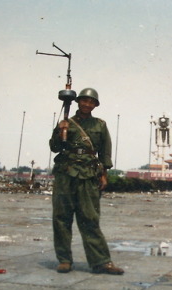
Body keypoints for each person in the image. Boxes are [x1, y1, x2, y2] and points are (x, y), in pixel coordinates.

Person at [49, 87, 124, 275]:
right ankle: (64, 260)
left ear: (95, 105)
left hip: (89, 174)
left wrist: (104, 173)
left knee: (90, 218)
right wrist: (60, 131)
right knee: (61, 217)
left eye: (91, 102)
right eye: (84, 101)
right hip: (66, 173)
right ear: (78, 102)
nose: (87, 104)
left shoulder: (100, 125)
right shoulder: (67, 122)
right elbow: (55, 147)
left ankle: (101, 262)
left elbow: (105, 152)